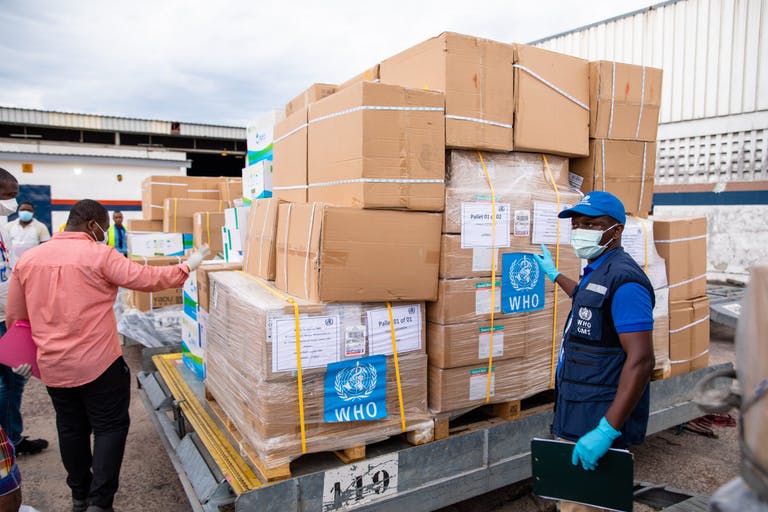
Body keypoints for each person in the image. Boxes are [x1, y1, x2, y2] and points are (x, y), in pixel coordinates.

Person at [6, 199, 209, 512]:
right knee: (109, 429)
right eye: (101, 226)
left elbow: (16, 319)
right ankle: (100, 503)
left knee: (70, 429)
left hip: (53, 368)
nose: (103, 233)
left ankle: (79, 496)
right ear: (92, 225)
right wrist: (187, 267)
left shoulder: (30, 259)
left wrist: (22, 358)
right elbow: (147, 280)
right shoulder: (99, 255)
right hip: (99, 364)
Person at [533, 191, 655, 512]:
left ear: (615, 230)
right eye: (577, 224)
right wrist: (555, 275)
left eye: (591, 224)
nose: (580, 230)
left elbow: (641, 360)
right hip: (578, 409)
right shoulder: (598, 270)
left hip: (597, 418)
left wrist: (607, 429)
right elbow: (590, 300)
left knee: (581, 506)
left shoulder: (626, 281)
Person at [0, 179, 49, 459]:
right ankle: (10, 442)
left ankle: (11, 437)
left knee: (14, 381)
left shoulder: (4, 228)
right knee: (9, 382)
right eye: (9, 195)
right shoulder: (7, 226)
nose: (15, 204)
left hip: (10, 316)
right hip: (5, 318)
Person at [5, 202, 51, 267]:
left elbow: (45, 247)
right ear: (18, 211)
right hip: (13, 264)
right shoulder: (9, 226)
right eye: (23, 210)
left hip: (33, 264)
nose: (25, 212)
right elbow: (4, 244)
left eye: (29, 210)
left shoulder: (41, 227)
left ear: (33, 212)